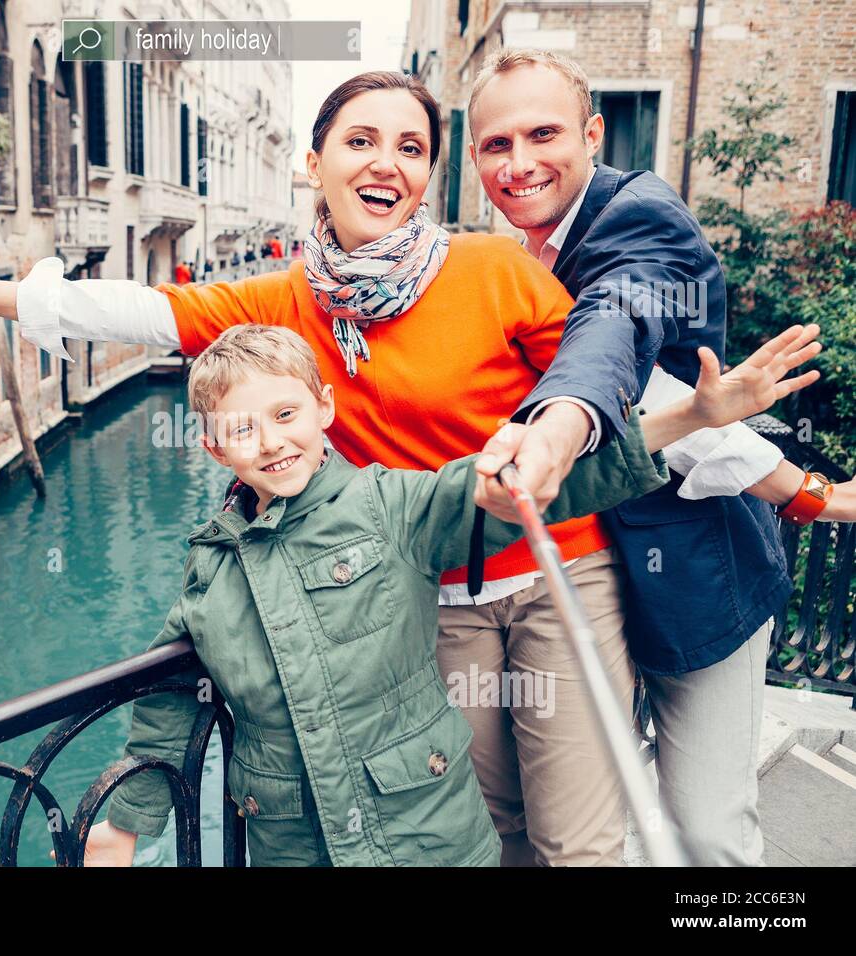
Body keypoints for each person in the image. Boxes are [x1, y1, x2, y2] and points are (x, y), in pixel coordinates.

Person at [0, 69, 839, 864]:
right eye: (360, 141)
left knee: (579, 837)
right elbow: (141, 311)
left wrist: (796, 487)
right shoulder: (286, 296)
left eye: (410, 147)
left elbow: (614, 382)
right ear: (315, 162)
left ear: (429, 174)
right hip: (438, 595)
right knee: (494, 822)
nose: (384, 162)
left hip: (563, 573)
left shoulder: (493, 271)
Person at [79, 322, 812, 866]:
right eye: (242, 428)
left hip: (424, 830)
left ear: (324, 410)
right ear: (212, 446)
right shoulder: (209, 565)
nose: (271, 442)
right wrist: (128, 823)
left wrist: (691, 417)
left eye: (285, 414)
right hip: (291, 840)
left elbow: (545, 485)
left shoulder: (390, 505)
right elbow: (171, 703)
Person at [465, 48, 856, 865]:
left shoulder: (639, 218)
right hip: (575, 594)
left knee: (707, 829)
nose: (520, 163)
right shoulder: (500, 260)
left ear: (593, 133)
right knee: (587, 825)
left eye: (543, 134)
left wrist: (808, 492)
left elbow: (615, 332)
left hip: (693, 586)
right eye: (496, 145)